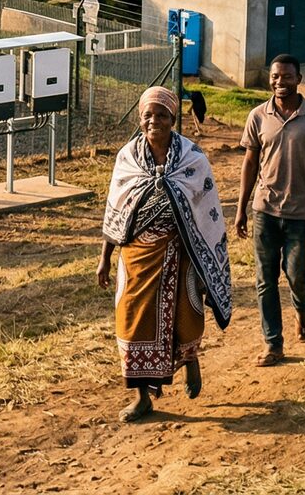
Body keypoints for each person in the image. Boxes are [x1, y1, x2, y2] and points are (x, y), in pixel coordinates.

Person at [99, 86, 234, 422]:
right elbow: (115, 209)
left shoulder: (192, 159)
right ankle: (141, 396)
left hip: (180, 252)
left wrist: (205, 261)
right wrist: (104, 256)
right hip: (136, 256)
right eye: (148, 115)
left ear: (173, 118)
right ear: (140, 119)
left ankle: (190, 361)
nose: (154, 121)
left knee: (185, 314)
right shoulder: (128, 159)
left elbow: (207, 211)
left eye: (161, 115)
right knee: (132, 322)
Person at [234, 54, 305, 367]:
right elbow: (250, 163)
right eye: (275, 76)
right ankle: (273, 343)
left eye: (287, 77)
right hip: (265, 209)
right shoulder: (257, 116)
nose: (280, 82)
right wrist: (241, 208)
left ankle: (302, 308)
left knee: (296, 275)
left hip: (301, 213)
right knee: (265, 279)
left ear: (299, 79)